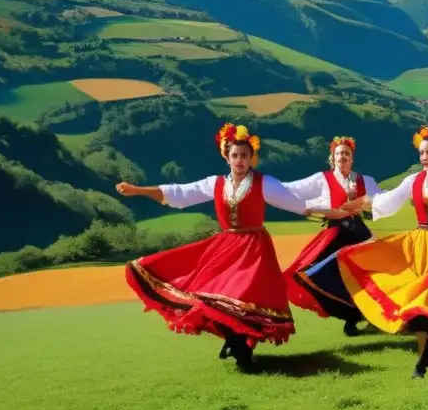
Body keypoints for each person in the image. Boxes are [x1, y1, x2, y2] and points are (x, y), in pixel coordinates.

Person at [117, 123, 352, 371]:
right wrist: (138, 190)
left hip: (254, 250)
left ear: (252, 158)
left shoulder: (265, 183)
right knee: (215, 298)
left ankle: (240, 347)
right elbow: (180, 193)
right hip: (227, 247)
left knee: (242, 299)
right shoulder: (215, 183)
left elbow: (298, 204)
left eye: (244, 156)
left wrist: (335, 211)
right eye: (235, 155)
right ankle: (237, 343)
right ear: (227, 157)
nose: (239, 160)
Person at [297, 125, 428, 378]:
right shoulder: (414, 180)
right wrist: (363, 202)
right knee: (414, 299)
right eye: (421, 153)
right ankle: (425, 355)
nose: (423, 158)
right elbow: (388, 202)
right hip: (419, 246)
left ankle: (424, 360)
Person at [281, 136, 382, 336]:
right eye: (339, 153)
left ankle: (360, 318)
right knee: (315, 273)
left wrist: (366, 201)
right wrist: (265, 187)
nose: (342, 156)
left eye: (346, 153)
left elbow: (382, 199)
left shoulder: (365, 181)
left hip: (358, 234)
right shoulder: (322, 179)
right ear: (332, 157)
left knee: (363, 278)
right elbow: (293, 188)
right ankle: (349, 315)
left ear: (352, 158)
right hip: (335, 234)